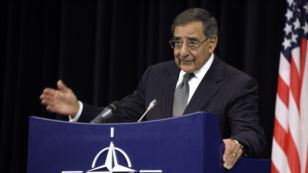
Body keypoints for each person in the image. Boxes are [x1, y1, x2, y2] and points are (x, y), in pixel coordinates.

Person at [40, 8, 265, 170]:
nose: (182, 51)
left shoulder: (237, 83)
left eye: (192, 42)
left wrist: (237, 143)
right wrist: (78, 108)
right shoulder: (156, 75)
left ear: (212, 42)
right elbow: (123, 115)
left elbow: (251, 134)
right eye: (177, 42)